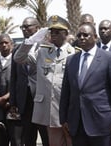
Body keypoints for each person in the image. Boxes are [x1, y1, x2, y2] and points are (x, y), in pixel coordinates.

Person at [59, 23, 111, 146]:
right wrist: (63, 119)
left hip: (101, 123)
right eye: (79, 35)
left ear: (95, 37)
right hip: (77, 123)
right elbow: (66, 92)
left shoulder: (109, 58)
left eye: (86, 35)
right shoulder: (71, 60)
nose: (82, 38)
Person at [14, 15, 75, 146]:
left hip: (69, 111)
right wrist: (30, 41)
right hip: (50, 111)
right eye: (51, 31)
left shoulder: (74, 53)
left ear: (65, 33)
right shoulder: (43, 52)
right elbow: (19, 58)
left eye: (57, 32)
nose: (53, 34)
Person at [9, 17, 49, 146]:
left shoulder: (46, 48)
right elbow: (14, 77)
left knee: (45, 136)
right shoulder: (17, 50)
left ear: (37, 28)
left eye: (27, 26)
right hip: (24, 100)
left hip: (41, 99)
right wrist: (13, 102)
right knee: (28, 137)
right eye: (22, 27)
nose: (24, 29)